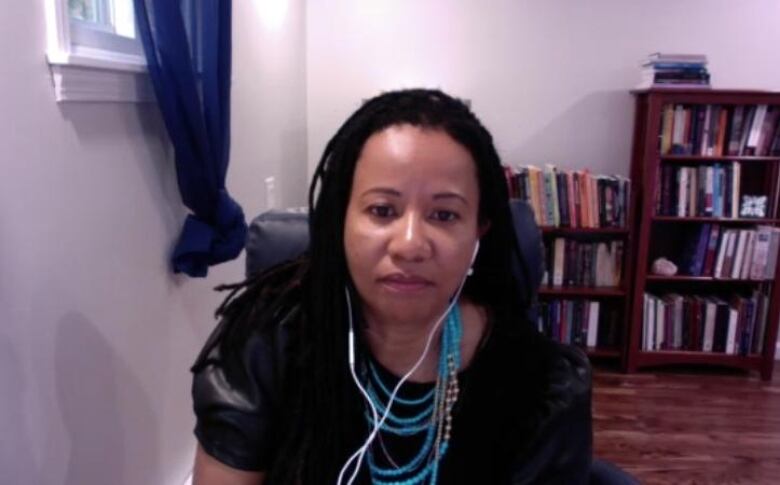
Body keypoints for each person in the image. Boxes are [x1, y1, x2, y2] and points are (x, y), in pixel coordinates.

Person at [190, 88, 592, 485]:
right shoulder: (265, 343)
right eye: (382, 210)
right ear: (340, 219)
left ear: (479, 231)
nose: (410, 244)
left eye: (445, 214)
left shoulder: (540, 384)